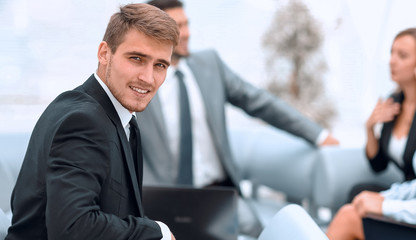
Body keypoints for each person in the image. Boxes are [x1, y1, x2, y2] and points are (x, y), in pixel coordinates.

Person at [140, 0, 339, 237]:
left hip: (217, 193)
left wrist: (318, 134)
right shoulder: (140, 82)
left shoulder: (209, 64)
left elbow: (261, 103)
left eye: (187, 24)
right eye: (178, 27)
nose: (188, 33)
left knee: (262, 232)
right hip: (163, 199)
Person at [6, 3, 179, 240]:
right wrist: (157, 231)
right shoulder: (84, 121)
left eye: (160, 65)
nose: (148, 78)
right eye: (136, 58)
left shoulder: (117, 117)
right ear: (104, 53)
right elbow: (73, 227)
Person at [326, 27, 416, 240]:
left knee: (352, 211)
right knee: (359, 194)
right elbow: (378, 164)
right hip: (409, 192)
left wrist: (385, 205)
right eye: (391, 53)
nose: (392, 61)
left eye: (402, 56)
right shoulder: (393, 104)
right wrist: (369, 128)